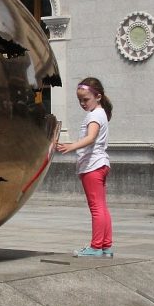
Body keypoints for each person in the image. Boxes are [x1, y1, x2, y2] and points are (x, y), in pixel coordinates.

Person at [56, 77, 113, 257]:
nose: (82, 103)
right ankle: (105, 246)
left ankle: (96, 247)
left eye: (86, 99)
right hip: (100, 164)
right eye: (80, 100)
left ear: (98, 96)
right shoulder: (101, 113)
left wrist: (71, 146)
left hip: (92, 166)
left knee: (96, 208)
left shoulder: (95, 115)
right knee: (102, 207)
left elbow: (91, 137)